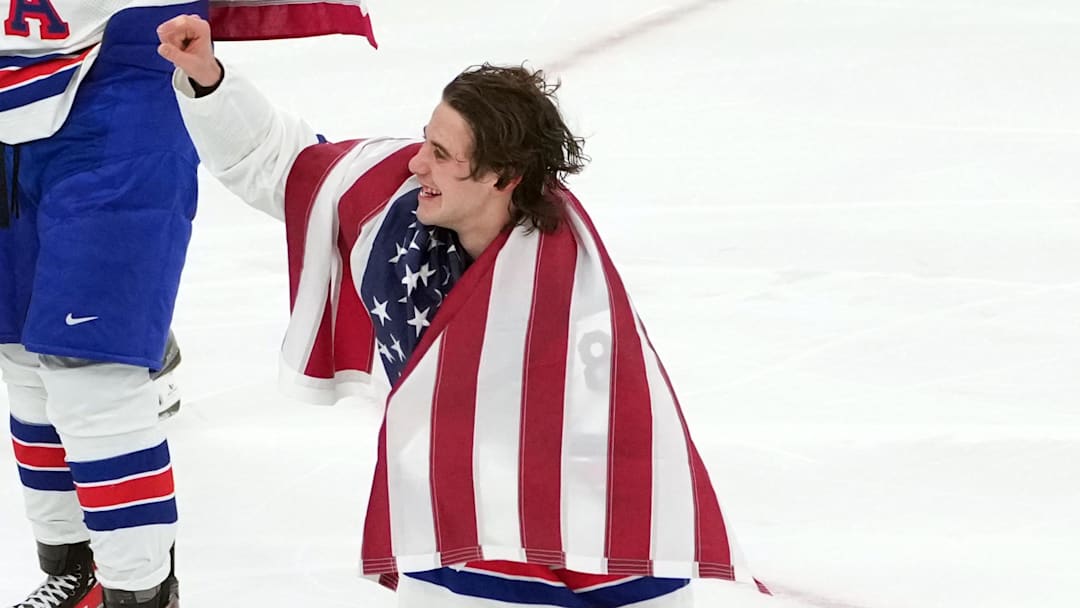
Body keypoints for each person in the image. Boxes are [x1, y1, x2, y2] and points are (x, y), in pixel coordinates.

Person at [157, 13, 768, 607]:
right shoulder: (393, 197)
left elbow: (617, 457)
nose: (418, 162)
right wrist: (209, 80)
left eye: (442, 153)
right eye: (427, 139)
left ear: (502, 176)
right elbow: (283, 165)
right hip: (444, 528)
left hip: (559, 544)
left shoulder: (572, 300)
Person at [2, 3, 374, 608]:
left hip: (123, 75)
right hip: (12, 97)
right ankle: (76, 576)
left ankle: (137, 593)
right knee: (20, 358)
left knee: (90, 371)